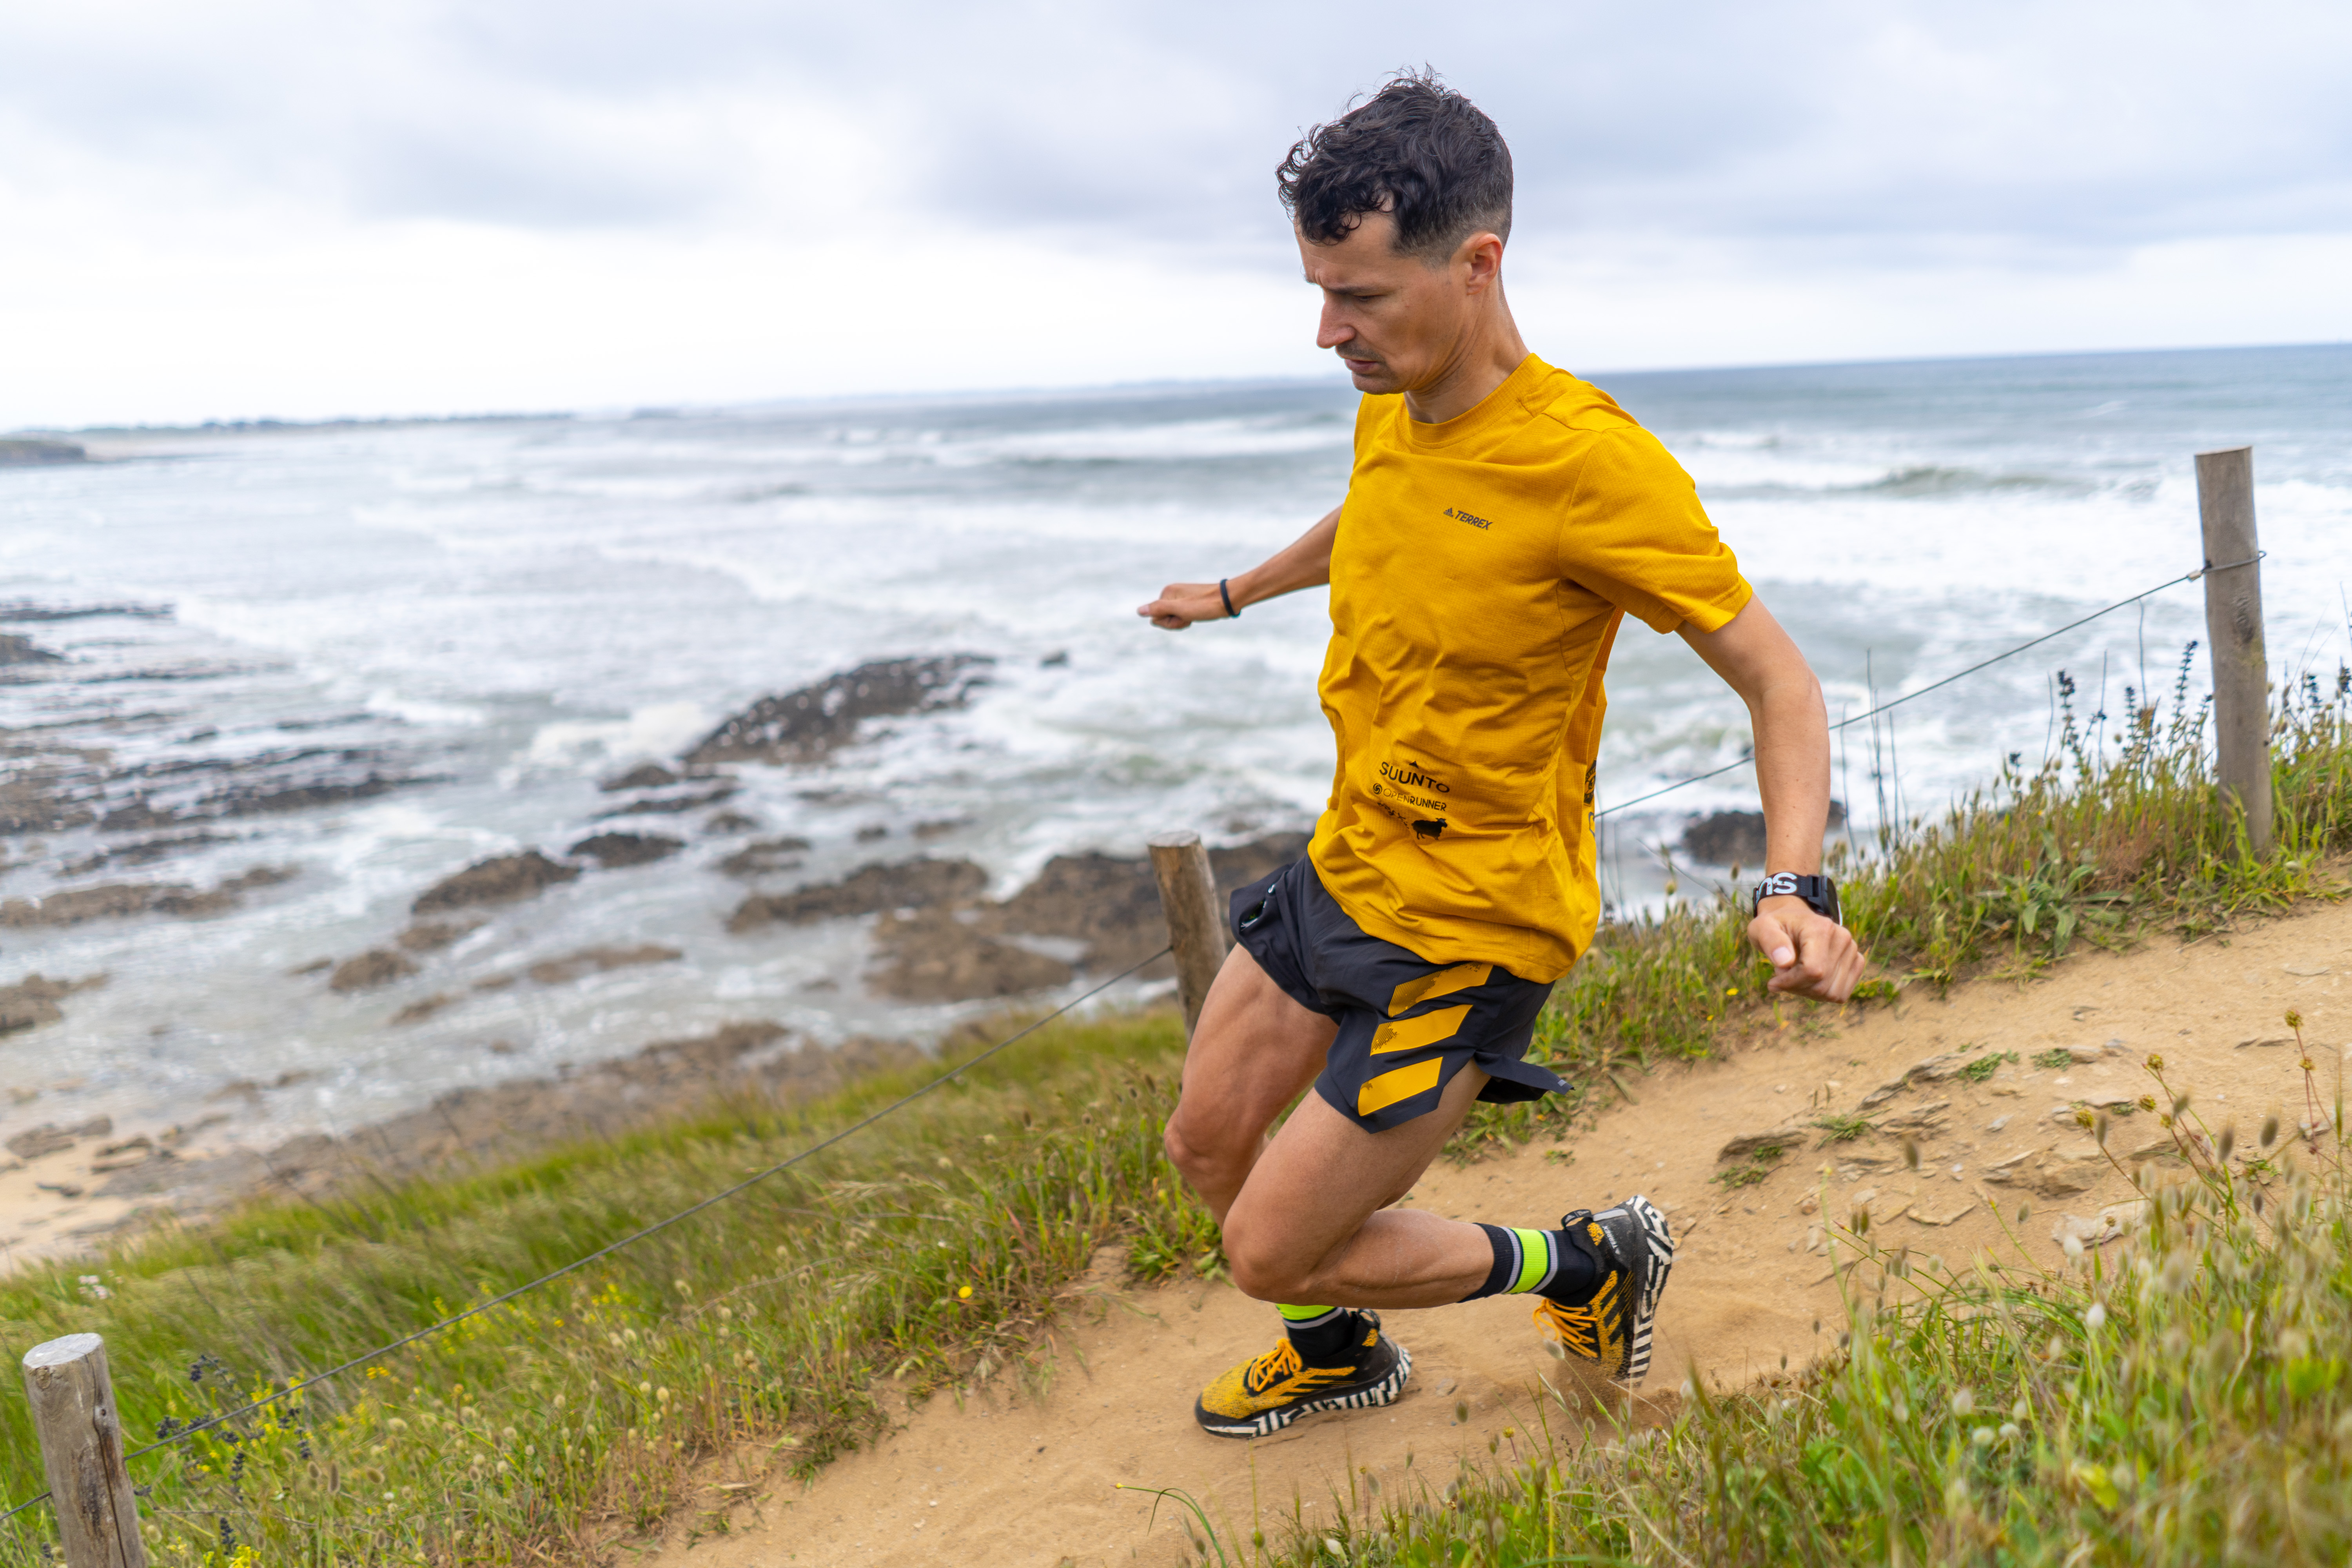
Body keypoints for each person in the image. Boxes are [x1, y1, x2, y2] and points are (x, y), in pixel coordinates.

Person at [1136, 72, 1867, 1441]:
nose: (1325, 331)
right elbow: (1372, 519)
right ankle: (1345, 1357)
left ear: (1478, 265)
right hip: (1346, 864)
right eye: (1318, 289)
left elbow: (1782, 683)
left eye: (1359, 295)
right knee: (1204, 1148)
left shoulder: (1594, 468)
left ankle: (1592, 1261)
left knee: (1270, 1249)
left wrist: (1795, 885)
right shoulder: (1389, 399)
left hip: (1471, 926)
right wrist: (1232, 593)